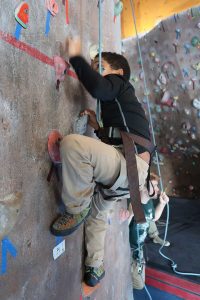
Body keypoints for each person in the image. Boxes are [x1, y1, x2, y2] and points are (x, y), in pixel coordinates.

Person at [50, 37, 151, 287]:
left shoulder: (119, 84)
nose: (95, 71)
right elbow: (122, 136)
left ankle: (76, 208)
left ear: (117, 72)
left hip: (128, 166)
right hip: (126, 174)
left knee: (73, 145)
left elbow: (98, 89)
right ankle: (95, 267)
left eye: (99, 66)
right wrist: (98, 126)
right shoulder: (122, 104)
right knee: (97, 216)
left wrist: (76, 56)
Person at [129, 173, 170, 290]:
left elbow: (153, 217)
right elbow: (120, 227)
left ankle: (154, 237)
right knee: (139, 285)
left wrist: (162, 204)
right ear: (143, 186)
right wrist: (130, 213)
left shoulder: (148, 201)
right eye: (155, 186)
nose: (158, 189)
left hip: (138, 248)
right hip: (129, 249)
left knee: (141, 278)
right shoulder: (132, 202)